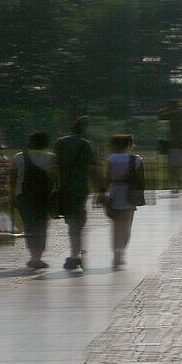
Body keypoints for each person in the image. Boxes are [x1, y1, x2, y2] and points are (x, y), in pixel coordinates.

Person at [55, 116, 102, 271]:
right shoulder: (87, 145)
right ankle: (77, 253)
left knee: (71, 221)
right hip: (80, 187)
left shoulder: (60, 143)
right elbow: (93, 170)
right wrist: (100, 190)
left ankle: (75, 253)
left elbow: (54, 166)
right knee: (79, 221)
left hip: (64, 187)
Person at [10, 132, 56, 271]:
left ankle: (33, 257)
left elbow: (12, 179)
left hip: (23, 195)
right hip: (43, 196)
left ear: (31, 141)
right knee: (41, 224)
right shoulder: (52, 158)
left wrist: (12, 196)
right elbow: (53, 178)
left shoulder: (18, 157)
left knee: (29, 225)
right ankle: (38, 257)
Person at [106, 134, 145, 269]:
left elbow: (108, 177)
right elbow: (141, 180)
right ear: (129, 145)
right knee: (127, 226)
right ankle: (121, 251)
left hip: (115, 193)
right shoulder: (137, 160)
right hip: (130, 195)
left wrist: (102, 193)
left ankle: (116, 252)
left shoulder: (112, 159)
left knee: (116, 226)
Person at [158, 100, 182, 192]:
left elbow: (160, 113)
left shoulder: (170, 114)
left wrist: (170, 108)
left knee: (174, 166)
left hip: (175, 144)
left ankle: (176, 184)